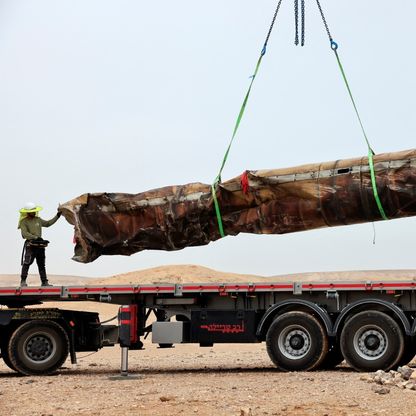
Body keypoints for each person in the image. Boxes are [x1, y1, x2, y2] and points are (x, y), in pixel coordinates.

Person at [18, 202, 61, 287]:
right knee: (27, 263)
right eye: (32, 211)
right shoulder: (23, 222)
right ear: (27, 212)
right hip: (30, 245)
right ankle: (23, 281)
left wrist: (57, 216)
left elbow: (48, 223)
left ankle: (44, 282)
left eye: (35, 211)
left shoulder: (38, 219)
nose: (34, 212)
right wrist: (35, 237)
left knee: (41, 264)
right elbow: (24, 234)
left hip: (40, 246)